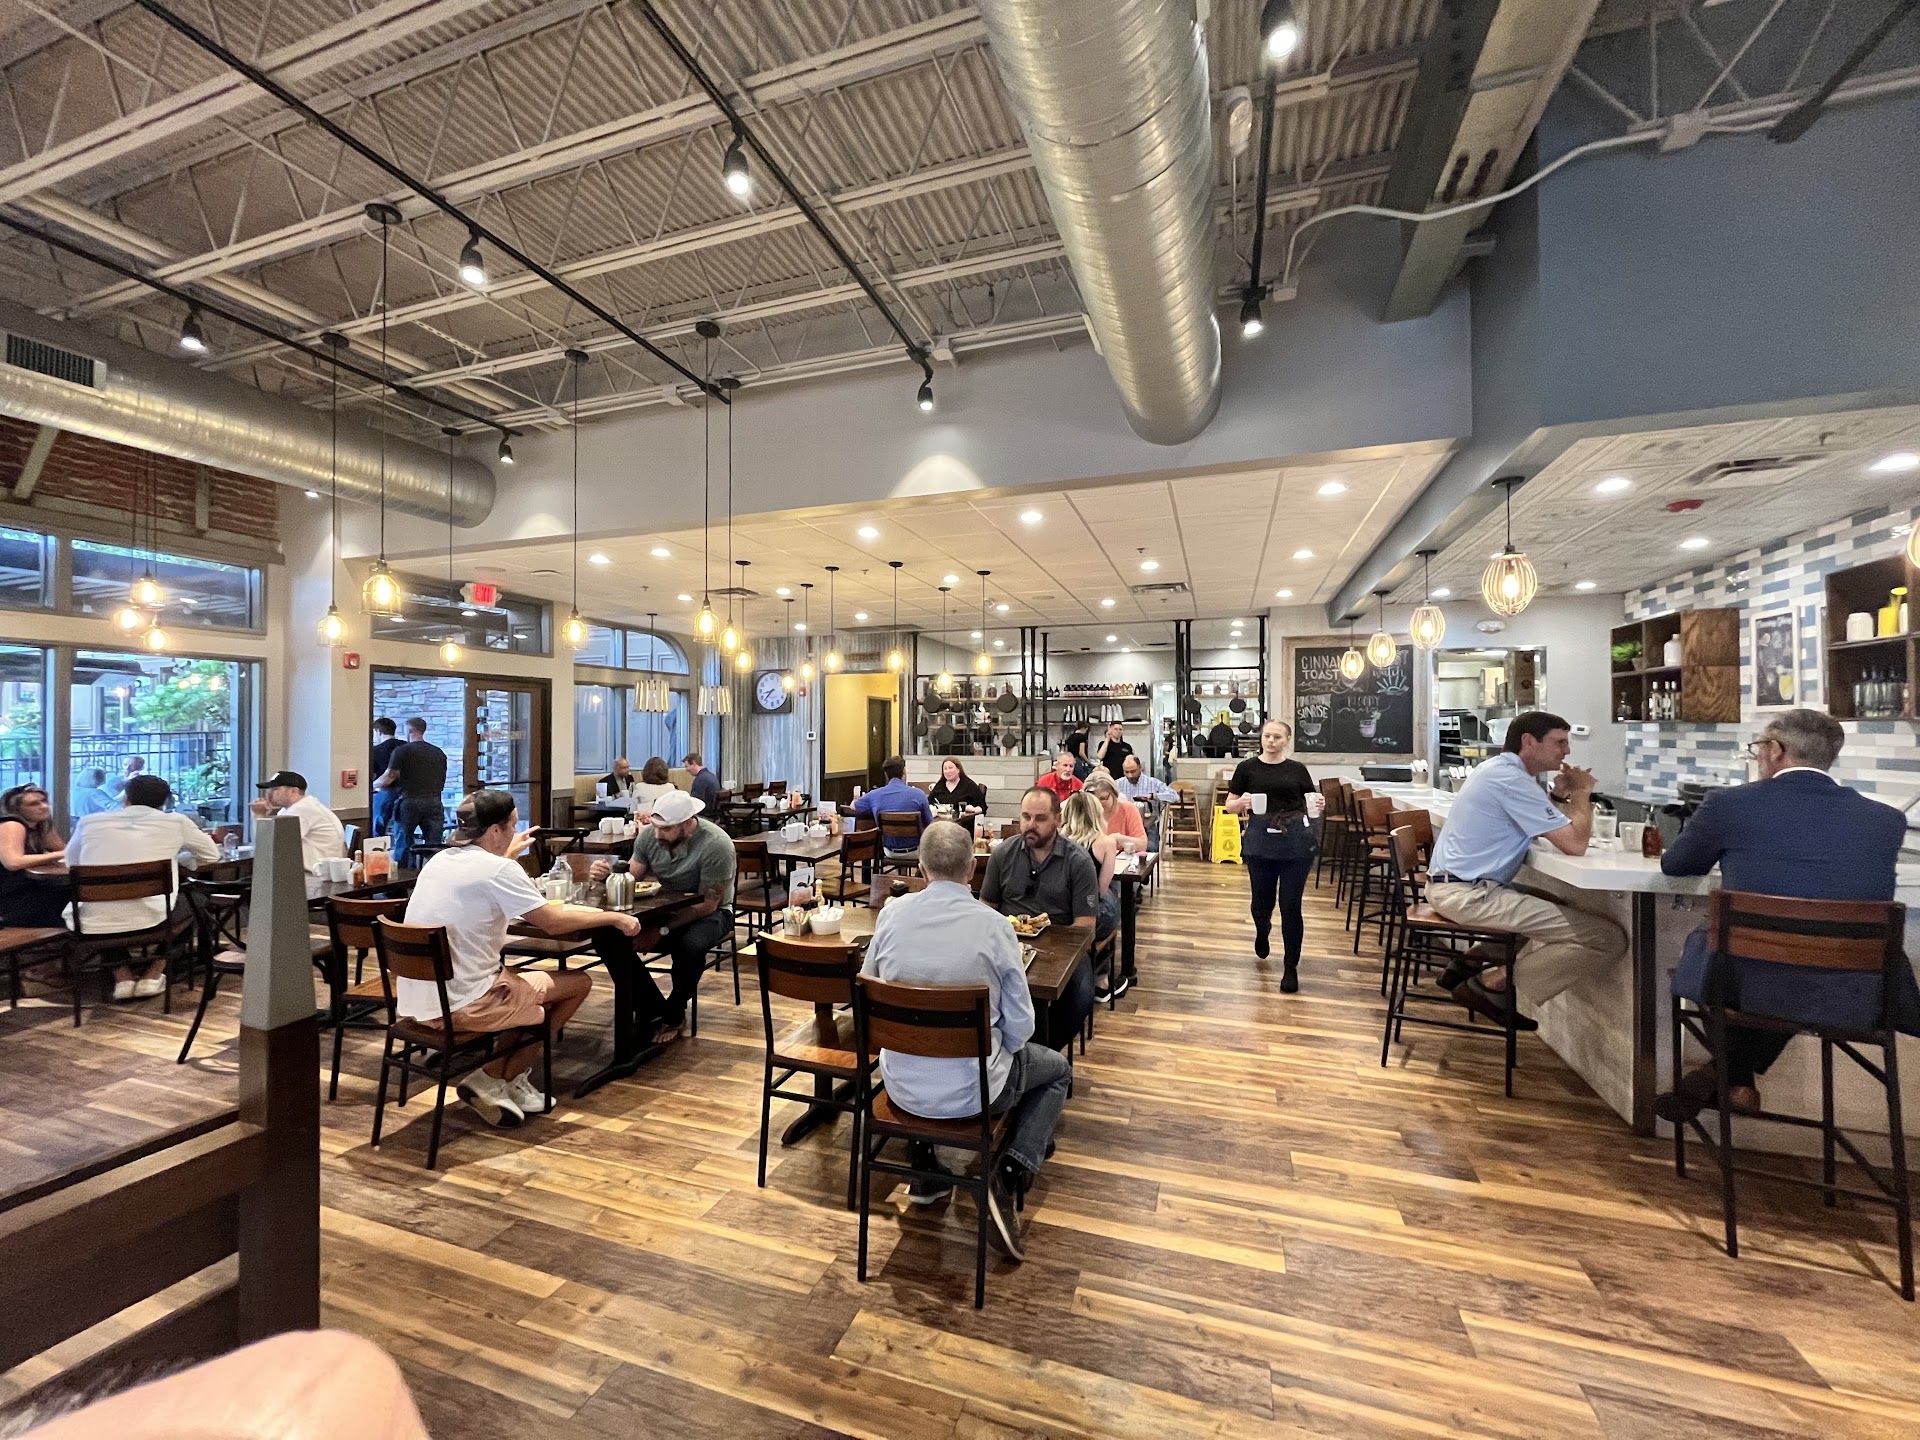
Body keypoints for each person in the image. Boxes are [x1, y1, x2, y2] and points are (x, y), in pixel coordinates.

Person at [1655, 709, 1920, 1122]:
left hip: (1747, 980)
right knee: (1792, 970)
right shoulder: (1886, 820)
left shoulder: (1730, 804)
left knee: (1726, 958)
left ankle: (1728, 1076)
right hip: (1854, 989)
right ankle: (1731, 1080)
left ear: (1775, 751)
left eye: (1759, 747)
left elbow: (1677, 865)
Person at [861, 820, 1070, 1257]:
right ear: (973, 868)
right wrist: (999, 1050)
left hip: (900, 1087)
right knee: (1057, 1072)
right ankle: (1009, 1171)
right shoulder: (994, 928)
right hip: (974, 1093)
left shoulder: (892, 915)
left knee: (928, 1051)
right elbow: (1022, 1027)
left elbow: (868, 989)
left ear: (921, 869)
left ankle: (926, 1169)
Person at [400, 789, 645, 1128]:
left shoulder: (441, 860)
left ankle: (504, 1081)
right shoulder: (498, 870)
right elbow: (552, 923)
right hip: (465, 1004)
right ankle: (493, 1077)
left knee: (527, 987)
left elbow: (483, 879)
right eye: (512, 826)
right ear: (495, 830)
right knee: (577, 984)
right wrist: (614, 917)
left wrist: (507, 855)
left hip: (420, 1000)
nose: (515, 832)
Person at [1424, 710, 1626, 1029]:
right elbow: (1574, 843)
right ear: (1529, 741)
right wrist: (1581, 794)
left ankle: (1469, 964)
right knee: (1606, 938)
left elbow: (1545, 825)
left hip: (1455, 886)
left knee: (1552, 902)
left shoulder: (1499, 771)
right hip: (1467, 894)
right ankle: (1492, 983)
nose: (1567, 751)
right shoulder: (1512, 781)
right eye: (1559, 742)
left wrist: (1558, 795)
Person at [591, 790, 735, 1034]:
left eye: (666, 829)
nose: (658, 834)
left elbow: (708, 904)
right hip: (663, 907)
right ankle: (651, 1007)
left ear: (687, 823)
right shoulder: (650, 836)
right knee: (606, 936)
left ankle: (675, 1011)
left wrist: (661, 930)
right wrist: (608, 876)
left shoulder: (716, 844)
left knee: (690, 946)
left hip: (712, 912)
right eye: (656, 827)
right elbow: (632, 877)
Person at [66, 774, 219, 1001]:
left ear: (125, 798)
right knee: (197, 900)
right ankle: (153, 974)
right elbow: (211, 856)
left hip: (91, 920)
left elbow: (72, 862)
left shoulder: (89, 822)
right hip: (154, 918)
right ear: (165, 801)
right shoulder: (176, 822)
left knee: (104, 911)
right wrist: (177, 858)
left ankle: (122, 978)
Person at [982, 785, 1099, 1033]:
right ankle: (1007, 1045)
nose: (1030, 825)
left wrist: (1056, 954)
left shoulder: (1078, 862)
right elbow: (986, 909)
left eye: (1040, 818)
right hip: (1008, 945)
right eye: (1026, 817)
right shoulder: (1003, 854)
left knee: (1081, 994)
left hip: (1062, 949)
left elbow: (1086, 928)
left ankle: (1043, 1049)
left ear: (1058, 819)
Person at [1223, 720, 1318, 992]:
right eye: (1267, 736)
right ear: (1261, 738)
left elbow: (1311, 803)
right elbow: (1229, 805)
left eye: (1277, 737)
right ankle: (1262, 930)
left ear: (1287, 739)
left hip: (1295, 842)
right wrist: (1240, 803)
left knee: (1291, 906)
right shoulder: (1247, 768)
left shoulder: (1297, 769)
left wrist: (1319, 804)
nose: (1271, 741)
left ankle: (1290, 967)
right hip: (1261, 841)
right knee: (1261, 902)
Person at [1060, 790, 1126, 998]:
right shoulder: (1106, 843)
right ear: (1096, 813)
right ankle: (1101, 978)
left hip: (1061, 910)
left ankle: (1096, 975)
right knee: (1111, 903)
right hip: (1090, 912)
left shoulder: (1058, 840)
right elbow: (1101, 890)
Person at [374, 717, 449, 869]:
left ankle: (402, 880)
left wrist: (372, 785)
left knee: (403, 843)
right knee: (434, 846)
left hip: (409, 802)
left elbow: (390, 777)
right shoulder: (438, 752)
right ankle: (433, 875)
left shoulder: (402, 751)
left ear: (409, 730)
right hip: (434, 801)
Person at [0, 783, 72, 927]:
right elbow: (13, 862)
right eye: (34, 804)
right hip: (13, 898)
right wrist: (59, 854)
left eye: (44, 801)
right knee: (75, 897)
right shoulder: (12, 824)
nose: (44, 806)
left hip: (26, 889)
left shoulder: (39, 827)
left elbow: (65, 850)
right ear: (16, 808)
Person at [248, 770, 346, 870]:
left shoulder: (303, 810)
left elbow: (271, 847)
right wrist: (261, 816)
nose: (268, 794)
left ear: (293, 791)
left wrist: (258, 815)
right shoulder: (292, 809)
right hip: (308, 871)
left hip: (314, 875)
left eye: (275, 789)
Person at [852, 755, 933, 859]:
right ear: (904, 771)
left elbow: (853, 806)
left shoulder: (874, 795)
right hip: (916, 851)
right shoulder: (919, 794)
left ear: (886, 775)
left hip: (888, 851)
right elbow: (929, 823)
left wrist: (856, 797)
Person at [1116, 753, 1176, 853]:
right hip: (1125, 827)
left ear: (1140, 767)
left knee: (1150, 850)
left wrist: (1154, 796)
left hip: (1148, 826)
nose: (1130, 775)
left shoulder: (1153, 783)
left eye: (1133, 771)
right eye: (1126, 772)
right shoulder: (1117, 784)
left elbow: (1174, 796)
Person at [1082, 772, 1147, 855]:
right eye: (1093, 799)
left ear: (1114, 794)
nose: (1098, 803)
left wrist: (1119, 839)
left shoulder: (1128, 809)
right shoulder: (1083, 812)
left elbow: (1142, 844)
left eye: (1103, 798)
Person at [369, 718, 401, 839]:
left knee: (377, 829)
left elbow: (374, 775)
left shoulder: (375, 750)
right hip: (407, 794)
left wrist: (372, 785)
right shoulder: (406, 747)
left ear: (378, 732)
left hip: (385, 793)